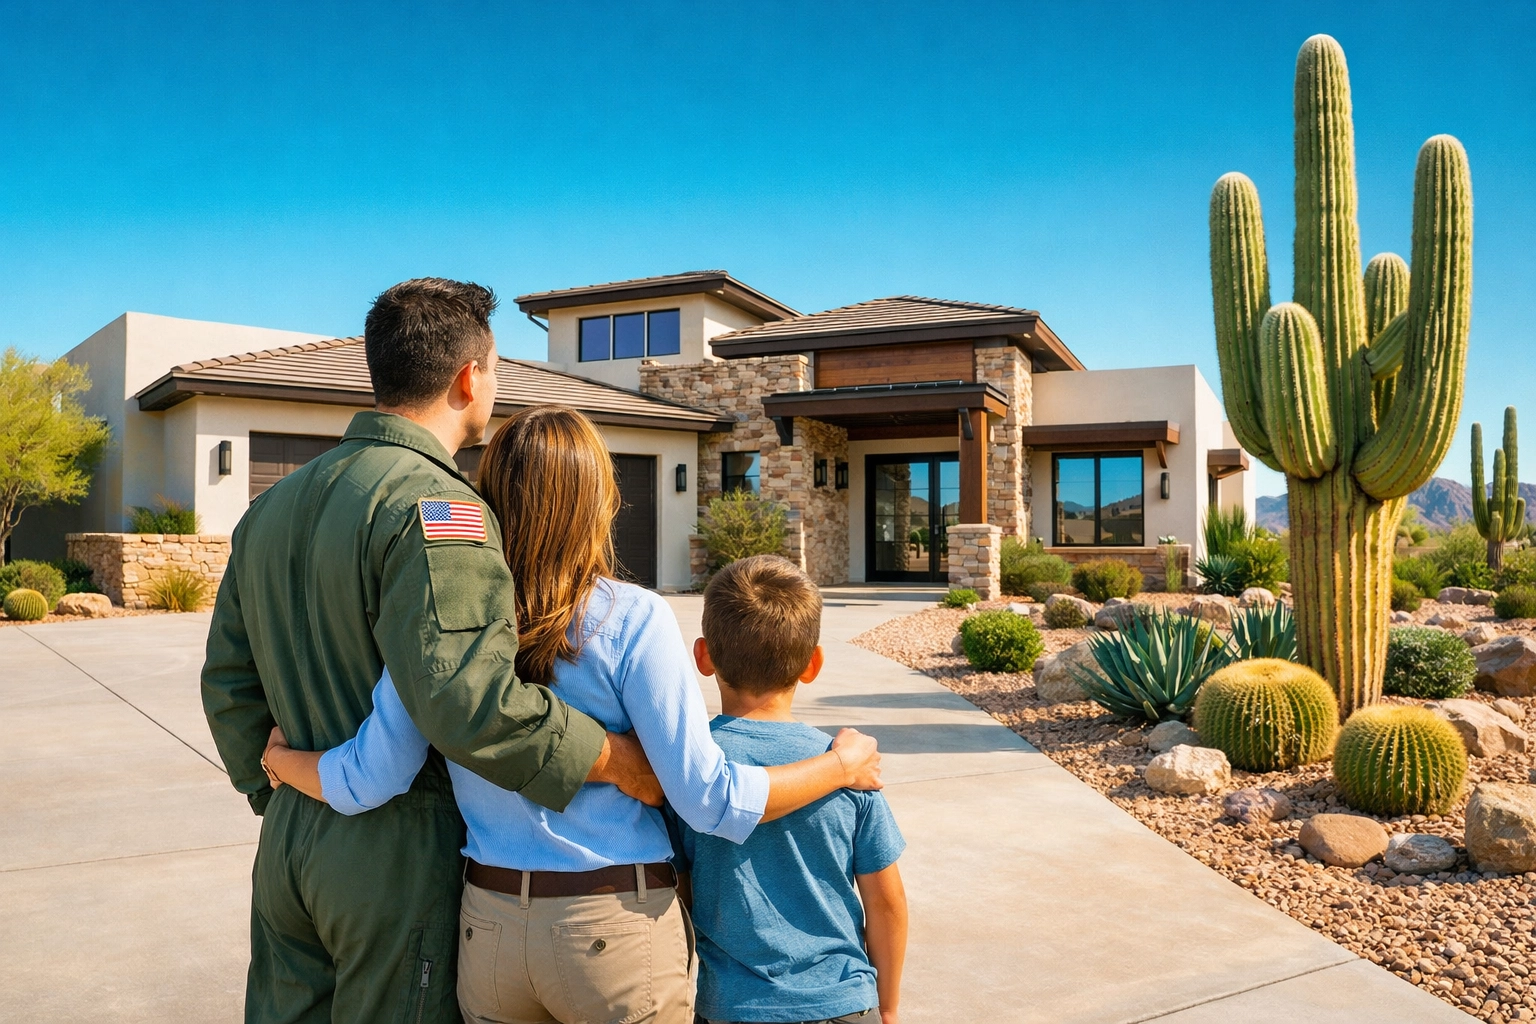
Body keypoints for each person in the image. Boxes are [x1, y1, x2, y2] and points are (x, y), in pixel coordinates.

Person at [260, 405, 884, 1024]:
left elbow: (369, 778)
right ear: (600, 504)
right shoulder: (631, 617)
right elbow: (710, 799)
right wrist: (839, 764)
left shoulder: (443, 620)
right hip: (614, 929)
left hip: (491, 929)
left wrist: (278, 760)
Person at [202, 279, 669, 1024]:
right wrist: (616, 762)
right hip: (391, 852)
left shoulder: (272, 506)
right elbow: (467, 700)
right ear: (469, 376)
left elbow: (228, 678)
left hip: (290, 838)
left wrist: (274, 782)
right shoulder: (439, 507)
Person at [674, 555, 908, 1024]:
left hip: (733, 1008)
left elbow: (679, 893)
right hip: (843, 1002)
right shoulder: (850, 766)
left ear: (703, 657)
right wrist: (888, 1007)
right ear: (812, 663)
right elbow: (885, 902)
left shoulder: (689, 770)